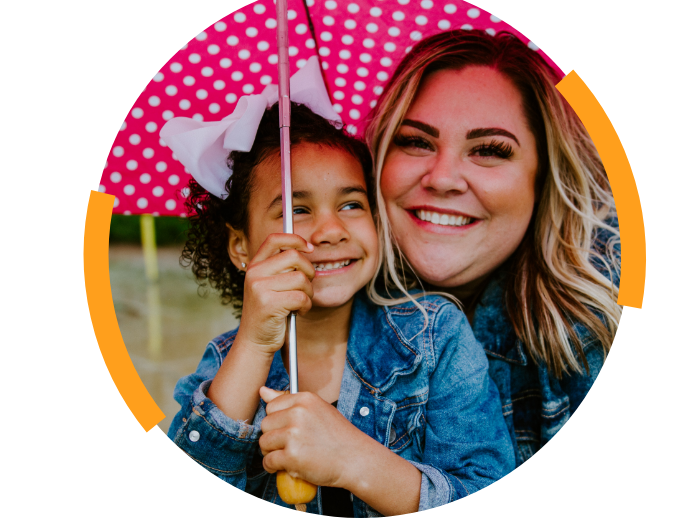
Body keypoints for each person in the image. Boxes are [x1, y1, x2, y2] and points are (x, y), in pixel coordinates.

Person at [163, 58, 514, 516]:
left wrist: (353, 460)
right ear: (240, 246)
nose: (330, 230)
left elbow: (482, 481)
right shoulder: (223, 364)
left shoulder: (434, 338)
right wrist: (252, 344)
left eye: (351, 203)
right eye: (298, 211)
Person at [365, 30, 622, 468]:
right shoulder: (311, 316)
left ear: (541, 178)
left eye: (489, 150)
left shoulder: (595, 325)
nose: (443, 178)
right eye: (416, 141)